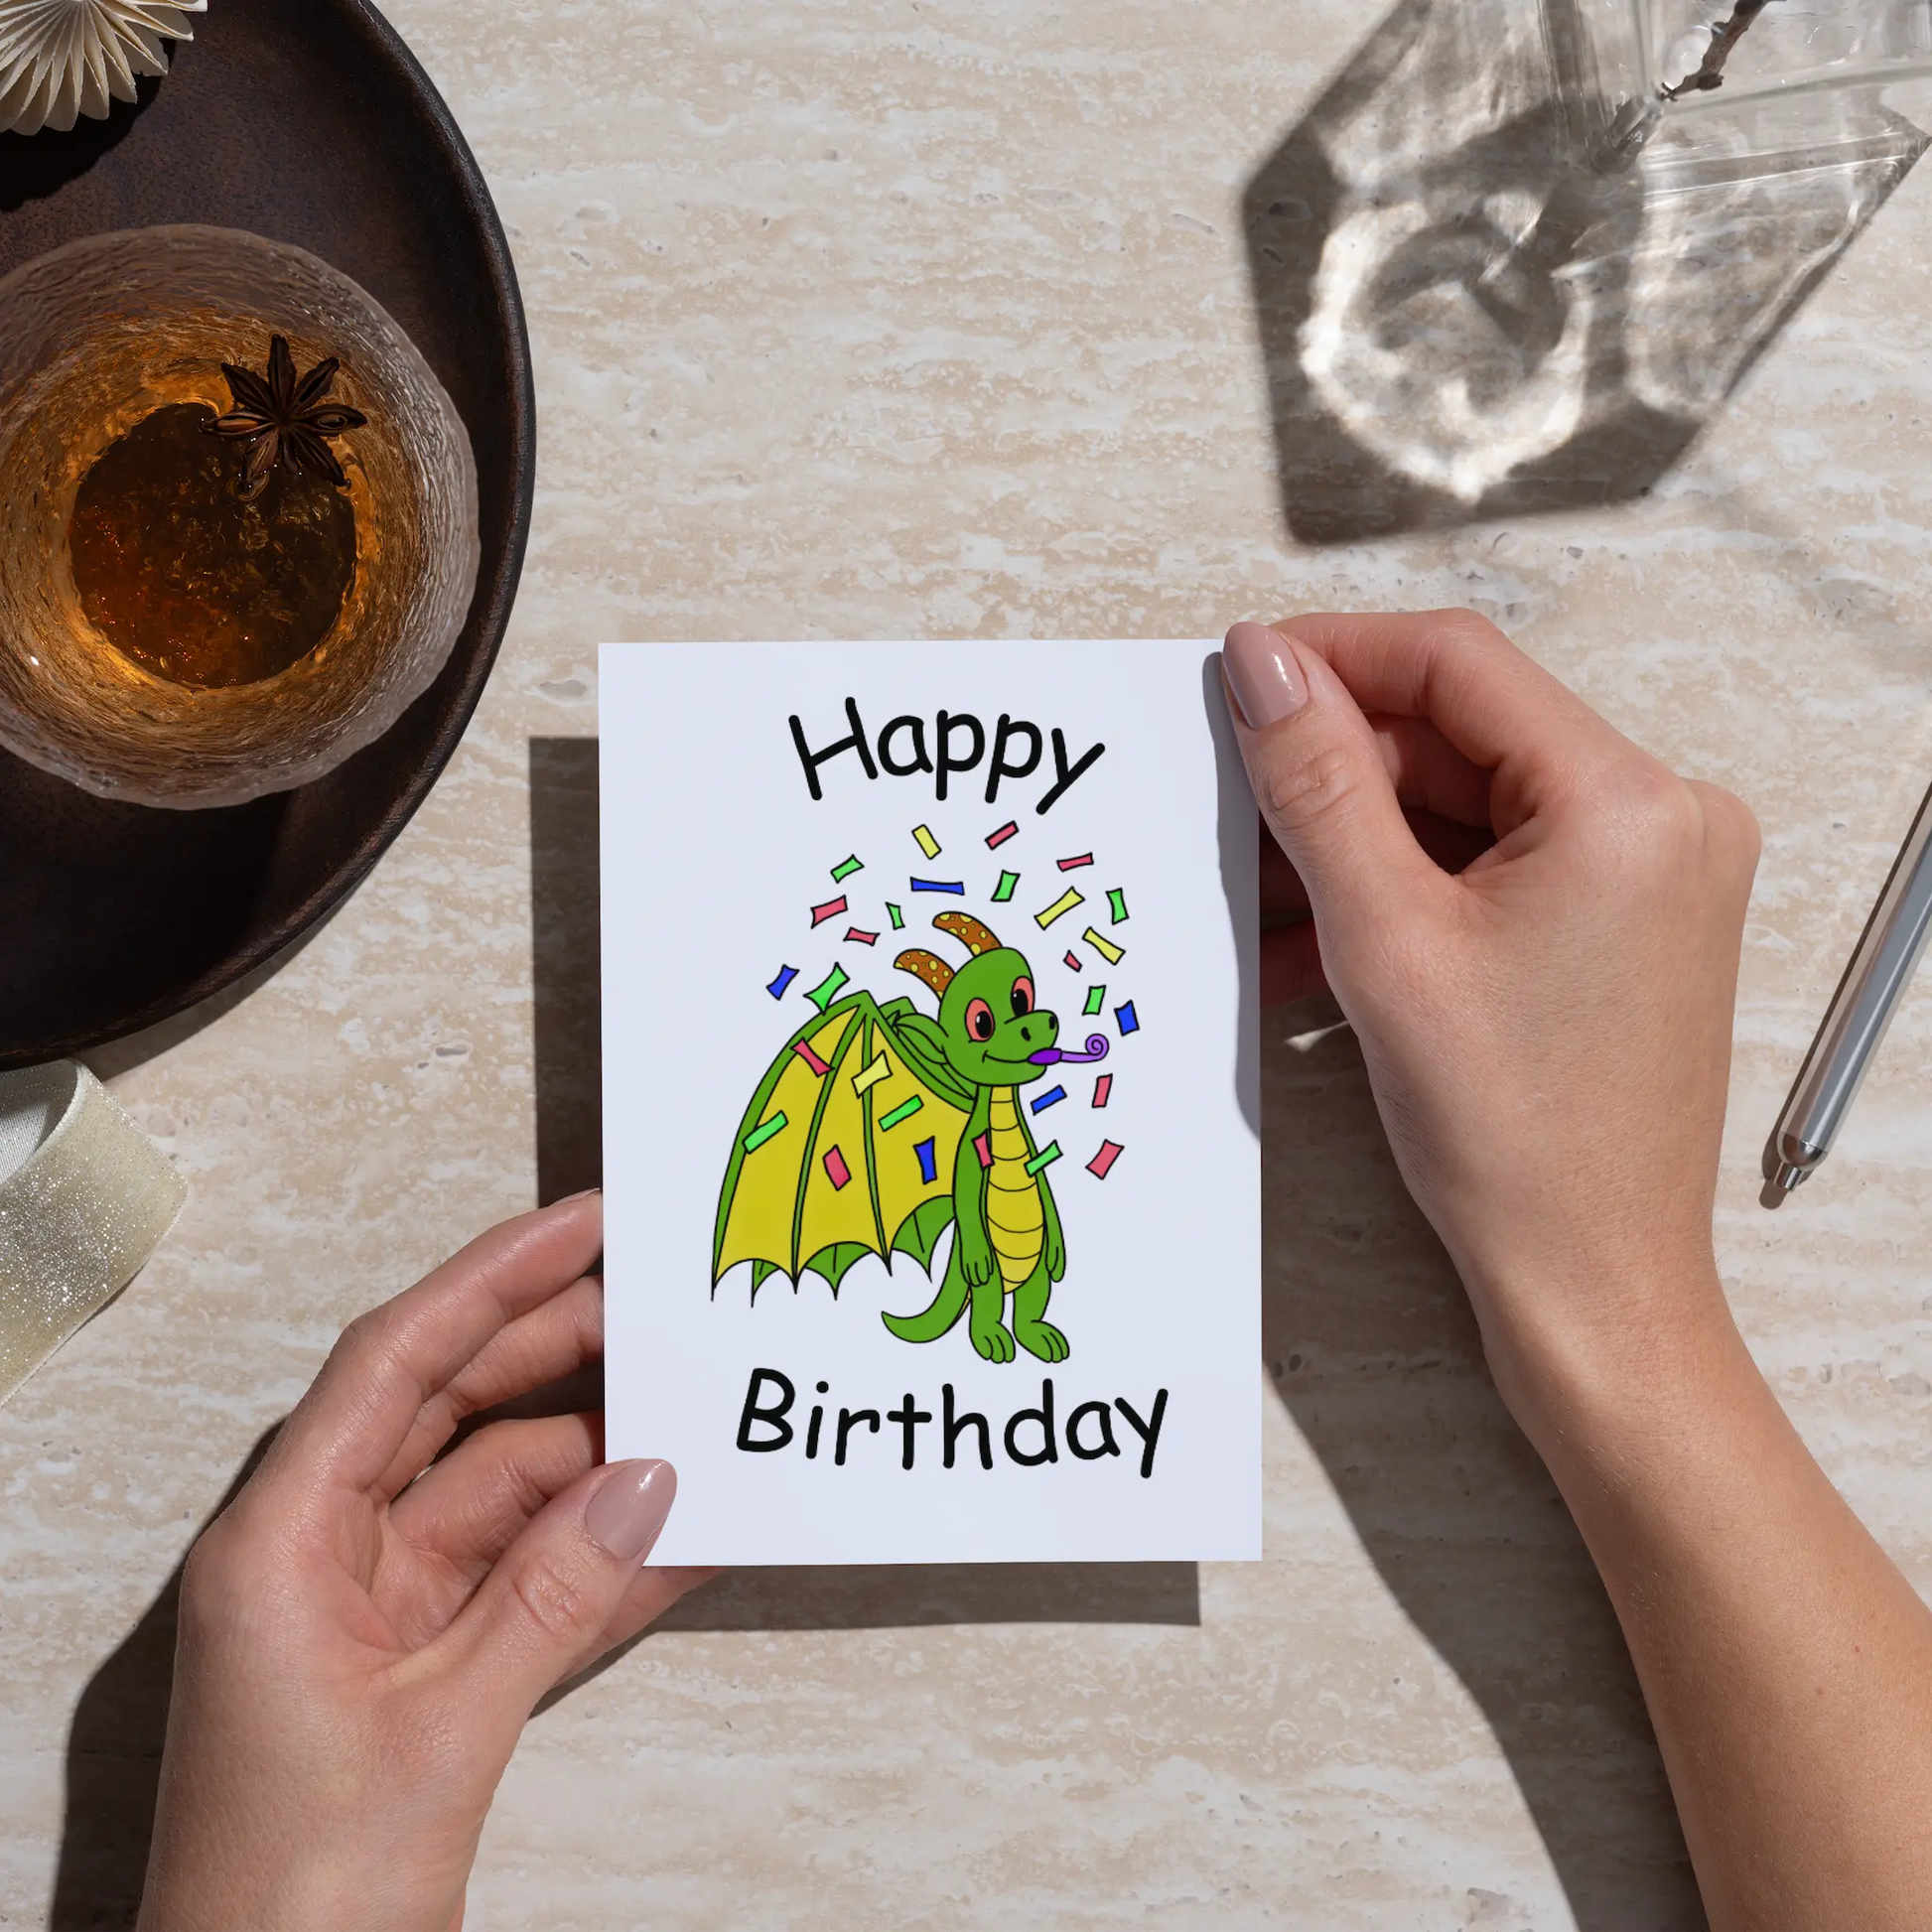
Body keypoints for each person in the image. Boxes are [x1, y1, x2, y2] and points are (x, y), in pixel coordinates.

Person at [136, 611, 1932, 1932]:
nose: (1026, 1034)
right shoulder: (895, 1052)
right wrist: (1628, 1307)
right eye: (991, 1017)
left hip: (1016, 1262)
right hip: (940, 1254)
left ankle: (970, 1300)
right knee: (974, 1270)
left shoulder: (993, 1073)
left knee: (1007, 1268)